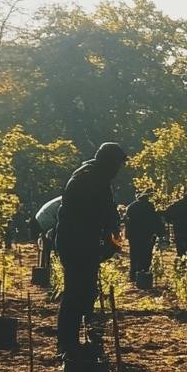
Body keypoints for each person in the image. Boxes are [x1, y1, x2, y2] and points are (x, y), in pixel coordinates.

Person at [55, 143, 126, 357]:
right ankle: (67, 345)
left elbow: (108, 213)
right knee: (76, 294)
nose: (118, 170)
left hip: (84, 243)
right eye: (117, 164)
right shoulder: (88, 178)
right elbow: (92, 216)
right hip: (77, 244)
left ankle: (83, 342)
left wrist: (109, 239)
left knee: (86, 293)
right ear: (109, 161)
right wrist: (105, 240)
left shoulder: (98, 177)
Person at [124, 193, 162, 281]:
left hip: (134, 235)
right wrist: (159, 232)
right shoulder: (150, 206)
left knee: (134, 254)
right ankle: (144, 272)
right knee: (146, 254)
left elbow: (127, 221)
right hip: (147, 235)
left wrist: (128, 234)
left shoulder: (131, 206)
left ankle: (133, 275)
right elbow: (156, 220)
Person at [33, 195, 62, 272]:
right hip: (46, 219)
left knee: (47, 243)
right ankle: (49, 267)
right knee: (55, 238)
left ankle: (46, 267)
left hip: (42, 217)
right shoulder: (66, 201)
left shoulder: (63, 198)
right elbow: (62, 218)